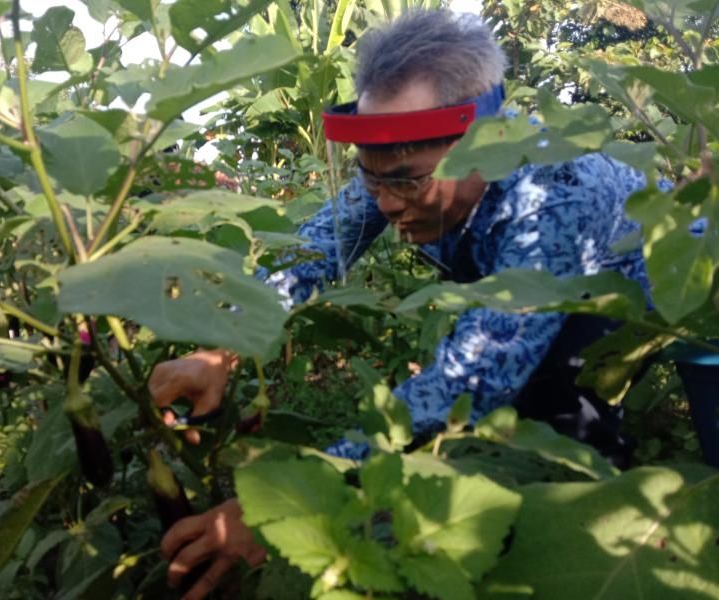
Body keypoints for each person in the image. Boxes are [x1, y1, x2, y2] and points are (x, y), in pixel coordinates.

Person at [149, 9, 653, 597]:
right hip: (516, 287)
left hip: (626, 290)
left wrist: (294, 502)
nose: (385, 203)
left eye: (407, 181)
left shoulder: (555, 198)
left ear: (479, 144)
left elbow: (478, 372)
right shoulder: (401, 166)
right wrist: (222, 348)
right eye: (371, 179)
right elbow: (318, 246)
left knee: (565, 434)